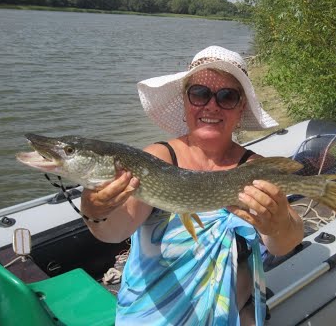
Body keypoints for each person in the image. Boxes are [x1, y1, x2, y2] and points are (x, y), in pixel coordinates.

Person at [80, 46, 304, 325]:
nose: (211, 105)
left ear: (240, 107)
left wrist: (278, 224)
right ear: (185, 101)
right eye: (199, 93)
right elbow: (116, 230)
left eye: (227, 96)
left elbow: (288, 240)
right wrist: (94, 211)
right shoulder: (156, 159)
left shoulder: (254, 168)